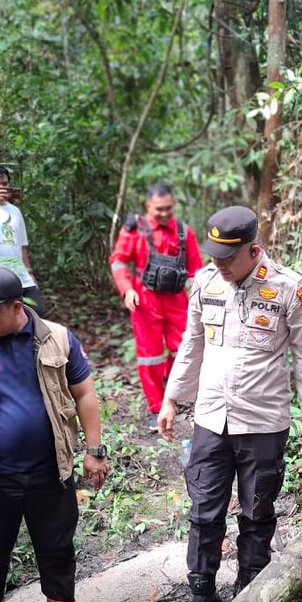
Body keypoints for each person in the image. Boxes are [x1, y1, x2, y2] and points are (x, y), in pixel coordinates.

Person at [158, 205, 302, 602]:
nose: (218, 265)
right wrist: (172, 398)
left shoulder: (290, 289)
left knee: (257, 512)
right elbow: (191, 344)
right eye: (213, 256)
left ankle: (251, 592)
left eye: (226, 258)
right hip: (211, 418)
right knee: (204, 513)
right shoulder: (206, 282)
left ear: (253, 249)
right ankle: (203, 596)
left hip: (263, 422)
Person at [0, 266, 108, 602]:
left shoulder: (56, 338)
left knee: (57, 552)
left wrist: (94, 450)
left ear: (16, 307)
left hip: (49, 472)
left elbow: (84, 392)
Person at [110, 181, 203, 431]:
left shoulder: (184, 231)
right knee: (149, 355)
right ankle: (155, 407)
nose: (164, 214)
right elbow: (119, 261)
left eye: (168, 209)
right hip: (144, 299)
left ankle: (174, 393)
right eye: (159, 209)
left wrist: (202, 298)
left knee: (183, 348)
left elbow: (197, 270)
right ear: (148, 206)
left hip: (177, 300)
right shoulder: (134, 230)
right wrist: (126, 288)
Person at [0, 164, 45, 316]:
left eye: (4, 184)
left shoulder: (15, 211)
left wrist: (31, 275)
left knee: (37, 311)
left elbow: (22, 247)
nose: (2, 187)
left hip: (20, 275)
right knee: (0, 318)